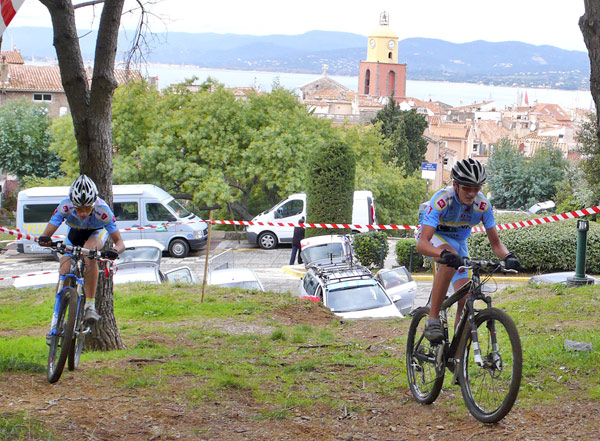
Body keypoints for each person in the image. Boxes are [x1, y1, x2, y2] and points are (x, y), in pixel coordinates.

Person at [416, 158, 521, 344]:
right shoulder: (442, 200)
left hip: (459, 242)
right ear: (455, 185)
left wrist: (508, 256)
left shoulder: (483, 206)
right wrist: (441, 254)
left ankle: (458, 360)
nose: (472, 193)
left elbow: (496, 244)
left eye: (476, 188)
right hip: (435, 238)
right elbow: (422, 243)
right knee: (450, 259)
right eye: (466, 188)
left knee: (465, 298)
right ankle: (432, 318)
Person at [38, 174, 125, 326]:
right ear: (73, 203)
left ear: (94, 203)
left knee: (88, 252)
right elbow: (46, 235)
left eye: (88, 208)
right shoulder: (65, 207)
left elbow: (120, 242)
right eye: (79, 208)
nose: (83, 213)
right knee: (64, 270)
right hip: (74, 234)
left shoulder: (103, 210)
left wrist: (115, 251)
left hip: (96, 233)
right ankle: (58, 315)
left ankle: (90, 306)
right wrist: (45, 240)